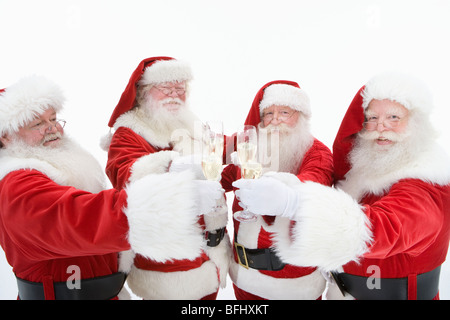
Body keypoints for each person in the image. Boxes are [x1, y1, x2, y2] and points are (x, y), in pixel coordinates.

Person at [0, 75, 221, 300]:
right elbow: (78, 217)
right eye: (37, 124)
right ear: (6, 137)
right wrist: (172, 201)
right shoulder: (16, 184)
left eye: (53, 119)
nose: (52, 128)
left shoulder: (52, 169)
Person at [234, 72, 450, 300]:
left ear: (417, 123)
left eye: (394, 117)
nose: (380, 127)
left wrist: (296, 203)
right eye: (372, 118)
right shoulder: (370, 167)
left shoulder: (426, 182)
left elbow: (384, 228)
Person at [103, 56, 231, 300]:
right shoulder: (129, 132)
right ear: (143, 93)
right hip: (167, 265)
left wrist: (245, 152)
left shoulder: (189, 124)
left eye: (180, 88)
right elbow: (125, 175)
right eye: (166, 88)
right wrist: (177, 167)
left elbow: (216, 158)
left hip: (210, 255)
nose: (175, 94)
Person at [221, 80, 334, 299]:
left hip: (294, 285)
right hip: (244, 280)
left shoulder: (317, 153)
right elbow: (223, 178)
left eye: (284, 112)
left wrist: (281, 192)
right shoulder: (252, 149)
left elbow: (313, 185)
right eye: (268, 113)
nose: (275, 120)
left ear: (301, 116)